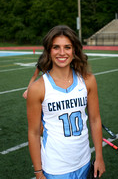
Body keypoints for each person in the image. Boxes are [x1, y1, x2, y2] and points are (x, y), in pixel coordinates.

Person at [27, 25, 105, 179]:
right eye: (56, 47)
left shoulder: (88, 80)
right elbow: (34, 132)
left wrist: (100, 157)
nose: (62, 53)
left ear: (74, 50)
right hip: (55, 168)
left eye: (67, 47)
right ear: (49, 50)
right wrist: (38, 172)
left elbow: (95, 120)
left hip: (84, 161)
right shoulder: (38, 88)